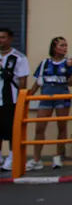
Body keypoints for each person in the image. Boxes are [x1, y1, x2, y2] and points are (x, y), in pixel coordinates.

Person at [27, 37, 72, 170]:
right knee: (40, 128)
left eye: (66, 45)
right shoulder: (45, 63)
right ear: (54, 48)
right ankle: (36, 159)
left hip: (62, 98)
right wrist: (29, 96)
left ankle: (57, 157)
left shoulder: (68, 64)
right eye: (62, 45)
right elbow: (38, 82)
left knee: (61, 127)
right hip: (46, 98)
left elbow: (71, 83)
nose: (65, 48)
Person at [0, 28, 30, 173]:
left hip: (10, 99)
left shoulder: (19, 57)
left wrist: (21, 100)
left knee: (12, 130)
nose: (0, 40)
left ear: (10, 39)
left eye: (3, 37)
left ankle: (12, 157)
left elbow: (23, 80)